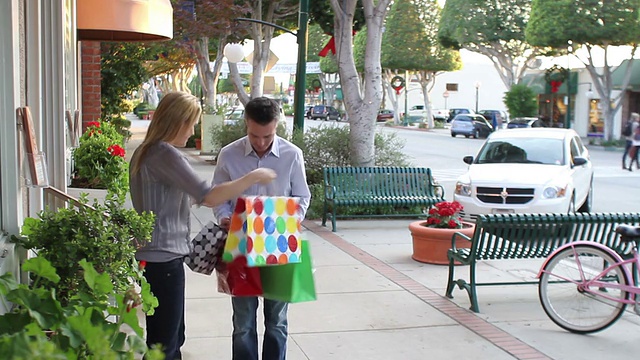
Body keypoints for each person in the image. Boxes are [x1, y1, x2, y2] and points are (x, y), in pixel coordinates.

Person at [129, 91, 276, 360]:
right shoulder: (164, 154)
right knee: (166, 343)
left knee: (167, 334)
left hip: (153, 257)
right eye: (191, 123)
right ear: (177, 122)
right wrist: (252, 177)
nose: (192, 130)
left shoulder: (145, 151)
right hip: (164, 258)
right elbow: (208, 195)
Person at [212, 97, 311, 360]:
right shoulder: (229, 154)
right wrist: (224, 217)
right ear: (246, 123)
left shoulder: (292, 154)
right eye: (255, 135)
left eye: (268, 136)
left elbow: (302, 196)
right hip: (241, 243)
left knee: (277, 320)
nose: (261, 142)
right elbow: (218, 196)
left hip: (278, 243)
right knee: (243, 322)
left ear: (277, 125)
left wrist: (291, 218)